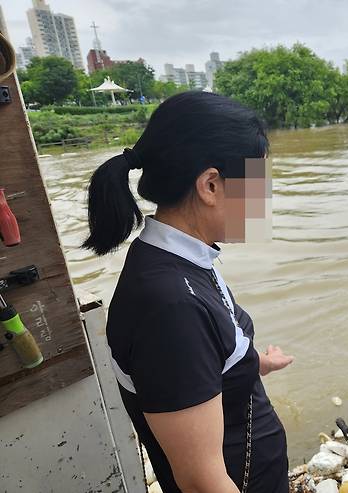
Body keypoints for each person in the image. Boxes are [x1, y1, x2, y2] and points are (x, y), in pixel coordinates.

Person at [82, 91, 293, 493]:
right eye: (259, 184)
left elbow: (201, 362)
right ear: (211, 185)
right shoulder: (170, 307)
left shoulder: (183, 259)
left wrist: (252, 363)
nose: (266, 201)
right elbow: (201, 480)